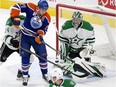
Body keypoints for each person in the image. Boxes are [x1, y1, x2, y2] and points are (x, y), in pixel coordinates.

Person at [10, 0, 51, 86]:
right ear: (38, 7)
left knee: (43, 56)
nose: (43, 12)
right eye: (42, 9)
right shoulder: (30, 7)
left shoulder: (47, 18)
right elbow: (16, 6)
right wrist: (15, 17)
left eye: (45, 10)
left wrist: (40, 35)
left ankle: (45, 74)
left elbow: (44, 29)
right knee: (25, 56)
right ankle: (25, 75)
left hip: (35, 38)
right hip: (25, 36)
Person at [58, 11, 105, 78]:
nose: (75, 21)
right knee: (63, 46)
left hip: (81, 49)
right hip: (71, 49)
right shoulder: (66, 25)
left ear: (81, 19)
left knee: (88, 48)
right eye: (74, 19)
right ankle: (62, 64)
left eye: (77, 20)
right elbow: (62, 39)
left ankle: (87, 65)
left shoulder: (88, 27)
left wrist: (86, 49)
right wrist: (67, 48)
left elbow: (91, 40)